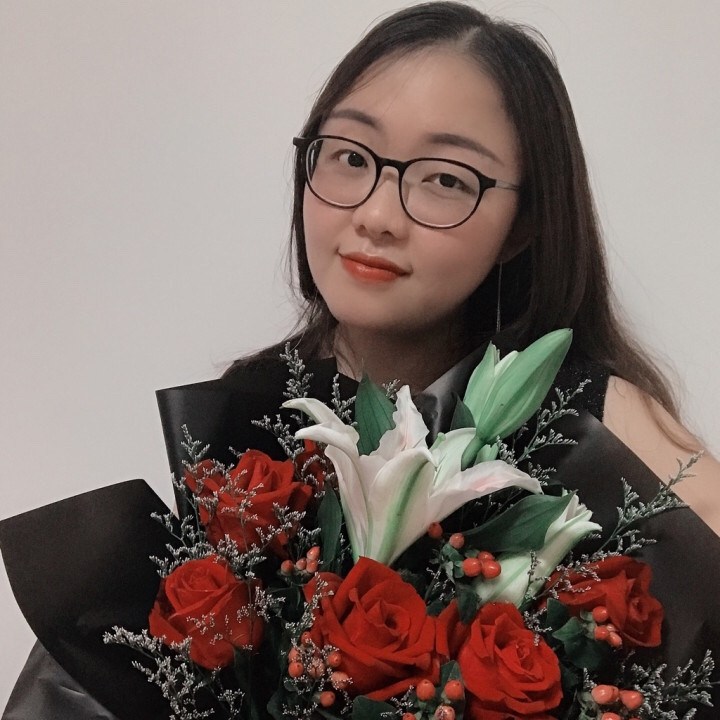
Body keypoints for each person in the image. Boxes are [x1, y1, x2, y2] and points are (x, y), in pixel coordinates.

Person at [2, 3, 719, 719]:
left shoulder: (596, 424)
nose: (376, 215)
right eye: (350, 157)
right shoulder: (245, 422)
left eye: (445, 178)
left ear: (523, 223)